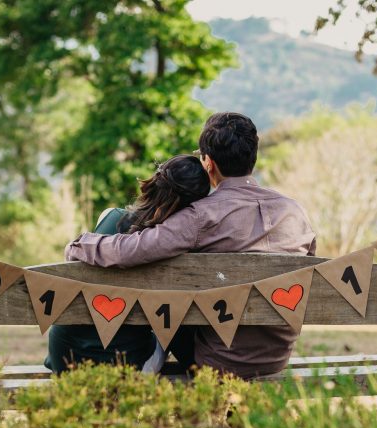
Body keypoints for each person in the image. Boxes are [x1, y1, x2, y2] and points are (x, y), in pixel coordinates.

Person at [66, 112, 316, 379]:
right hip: (275, 358)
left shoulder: (200, 216)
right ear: (253, 158)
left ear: (208, 163)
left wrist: (80, 245)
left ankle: (146, 367)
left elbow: (131, 250)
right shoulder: (295, 212)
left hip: (216, 361)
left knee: (165, 298)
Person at [45, 154, 209, 374]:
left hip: (63, 357)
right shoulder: (170, 247)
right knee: (170, 320)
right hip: (125, 366)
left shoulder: (109, 216)